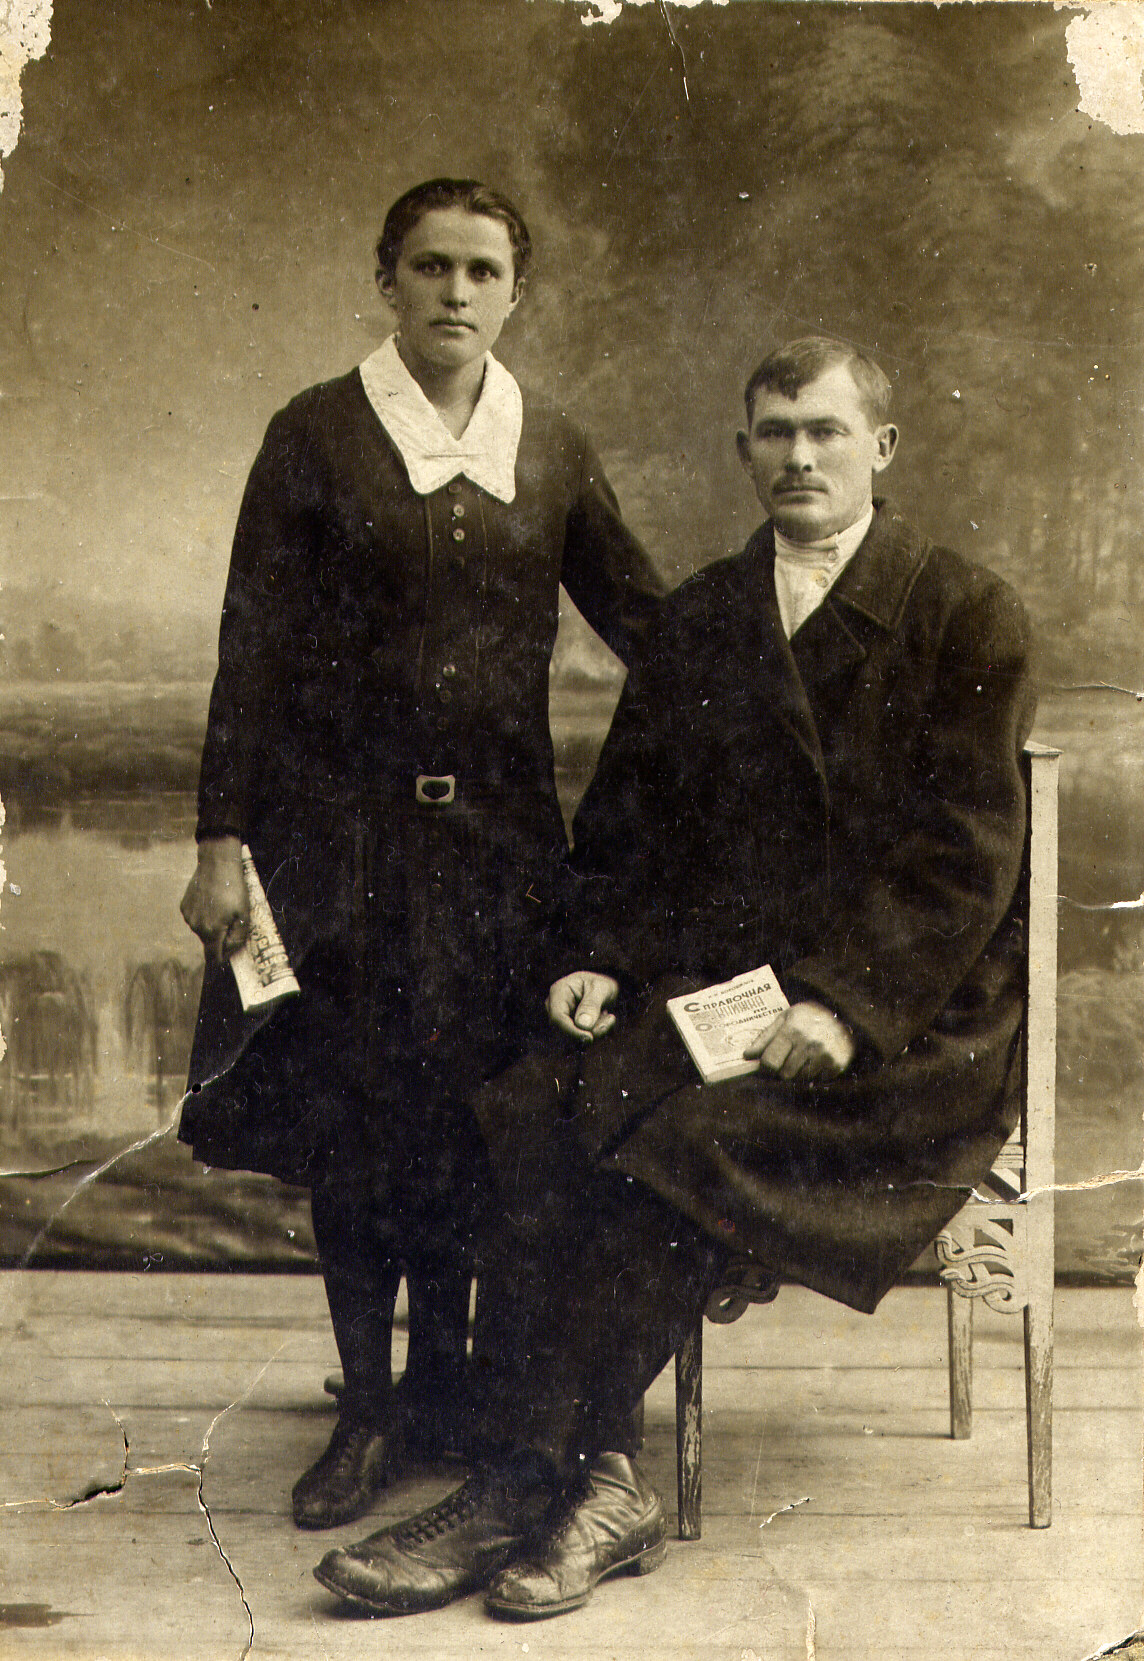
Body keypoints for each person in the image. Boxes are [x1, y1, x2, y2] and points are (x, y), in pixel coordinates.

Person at [311, 337, 1037, 1621]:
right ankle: (594, 1476)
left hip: (906, 1025)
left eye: (824, 430)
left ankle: (528, 1479)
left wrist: (844, 1006)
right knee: (537, 1099)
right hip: (732, 995)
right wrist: (598, 952)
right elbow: (632, 824)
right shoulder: (703, 614)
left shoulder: (964, 611)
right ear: (744, 451)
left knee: (676, 1141)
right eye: (775, 433)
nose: (798, 457)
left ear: (880, 448)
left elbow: (964, 857)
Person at [177, 179, 663, 1532]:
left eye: (483, 271)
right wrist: (220, 839)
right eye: (431, 266)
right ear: (386, 279)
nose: (456, 292)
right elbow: (250, 647)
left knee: (472, 1117)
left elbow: (649, 623)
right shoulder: (316, 433)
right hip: (339, 848)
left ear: (517, 291)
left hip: (502, 854)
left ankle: (449, 1385)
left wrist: (786, 687)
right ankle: (372, 1407)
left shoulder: (549, 446)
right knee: (356, 1121)